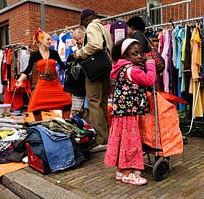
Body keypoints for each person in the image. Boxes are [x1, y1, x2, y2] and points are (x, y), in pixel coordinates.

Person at [104, 38, 156, 186]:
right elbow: (149, 80)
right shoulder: (131, 69)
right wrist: (150, 64)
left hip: (121, 112)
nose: (140, 56)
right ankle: (128, 173)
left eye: (141, 53)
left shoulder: (121, 68)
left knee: (122, 140)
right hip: (127, 112)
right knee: (129, 141)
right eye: (135, 53)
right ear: (125, 56)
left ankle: (121, 170)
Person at [74, 8, 113, 151]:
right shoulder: (103, 28)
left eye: (82, 22)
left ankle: (101, 139)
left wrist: (79, 53)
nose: (83, 25)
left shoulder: (91, 26)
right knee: (102, 102)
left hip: (95, 70)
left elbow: (95, 45)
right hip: (105, 68)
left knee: (94, 102)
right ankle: (107, 136)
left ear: (86, 19)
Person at [16, 29, 72, 121]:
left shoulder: (54, 53)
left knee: (67, 101)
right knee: (34, 103)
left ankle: (66, 122)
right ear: (41, 41)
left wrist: (71, 69)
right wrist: (20, 80)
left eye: (50, 40)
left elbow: (63, 66)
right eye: (48, 39)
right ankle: (39, 124)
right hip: (42, 83)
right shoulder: (35, 55)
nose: (50, 41)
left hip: (55, 83)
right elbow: (28, 69)